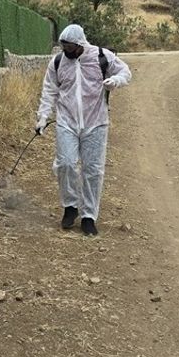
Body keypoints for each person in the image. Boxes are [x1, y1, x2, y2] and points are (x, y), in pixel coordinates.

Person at [35, 24, 131, 236]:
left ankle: (89, 216)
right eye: (64, 46)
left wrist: (115, 80)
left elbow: (125, 72)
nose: (67, 51)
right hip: (66, 121)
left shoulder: (100, 56)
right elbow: (49, 89)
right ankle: (70, 206)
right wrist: (43, 116)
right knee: (66, 163)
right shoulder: (58, 62)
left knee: (93, 170)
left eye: (70, 47)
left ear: (80, 44)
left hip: (96, 122)